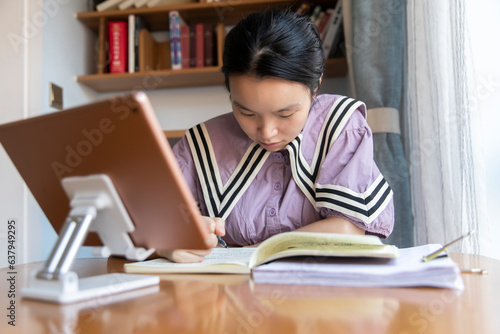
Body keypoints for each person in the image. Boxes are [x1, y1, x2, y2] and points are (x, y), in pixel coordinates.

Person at [158, 9, 394, 263]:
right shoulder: (201, 145)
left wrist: (245, 254)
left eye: (285, 114)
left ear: (315, 87)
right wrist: (168, 244)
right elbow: (152, 225)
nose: (267, 132)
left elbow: (348, 230)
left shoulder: (339, 126)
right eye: (246, 112)